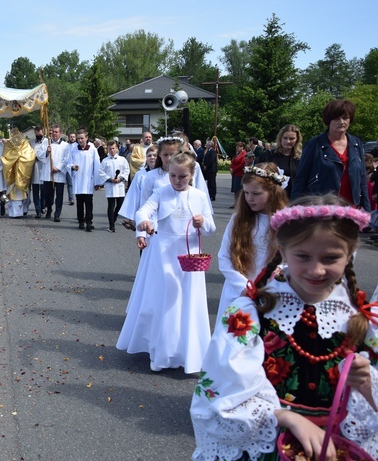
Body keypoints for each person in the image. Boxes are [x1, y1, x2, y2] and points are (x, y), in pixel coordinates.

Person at [185, 194, 378, 461]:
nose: (316, 270)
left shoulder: (361, 319)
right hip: (263, 451)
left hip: (332, 457)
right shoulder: (252, 312)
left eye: (330, 258)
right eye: (303, 256)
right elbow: (225, 384)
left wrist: (368, 385)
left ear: (349, 254)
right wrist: (286, 417)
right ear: (283, 251)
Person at [116, 151, 215, 373]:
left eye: (183, 177)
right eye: (173, 176)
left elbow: (211, 228)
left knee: (186, 302)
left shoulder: (199, 196)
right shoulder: (161, 192)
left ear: (191, 175)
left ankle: (185, 351)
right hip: (163, 255)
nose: (177, 181)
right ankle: (161, 350)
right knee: (165, 301)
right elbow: (144, 210)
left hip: (189, 255)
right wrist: (143, 223)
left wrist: (202, 223)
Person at [216, 162, 288, 320]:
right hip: (238, 291)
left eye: (256, 193)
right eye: (246, 193)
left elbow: (289, 260)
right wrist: (245, 287)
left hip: (271, 293)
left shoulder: (286, 223)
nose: (249, 198)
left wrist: (277, 274)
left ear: (273, 192)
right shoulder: (238, 219)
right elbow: (224, 256)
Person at [293, 100, 369, 210]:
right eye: (337, 118)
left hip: (350, 208)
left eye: (345, 118)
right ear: (329, 120)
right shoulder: (314, 144)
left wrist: (366, 210)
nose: (342, 122)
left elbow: (362, 179)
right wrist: (295, 209)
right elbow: (301, 179)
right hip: (321, 207)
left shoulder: (356, 144)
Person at [67, 128, 102, 232]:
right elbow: (68, 163)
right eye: (78, 139)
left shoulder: (92, 149)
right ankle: (81, 221)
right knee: (79, 201)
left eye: (82, 138)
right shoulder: (73, 149)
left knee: (89, 201)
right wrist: (73, 167)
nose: (80, 141)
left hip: (88, 180)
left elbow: (97, 165)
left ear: (86, 138)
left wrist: (97, 181)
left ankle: (89, 221)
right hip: (78, 179)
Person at [119, 145, 157, 231]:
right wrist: (131, 215)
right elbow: (133, 195)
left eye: (155, 155)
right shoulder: (140, 175)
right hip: (144, 211)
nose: (152, 158)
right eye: (149, 156)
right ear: (146, 158)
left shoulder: (166, 174)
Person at [261, 124, 302, 198]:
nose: (288, 141)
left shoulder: (300, 158)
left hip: (293, 199)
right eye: (285, 138)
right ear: (280, 138)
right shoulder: (269, 155)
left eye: (292, 138)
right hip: (272, 198)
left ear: (297, 140)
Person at [98, 140, 130, 232]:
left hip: (120, 185)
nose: (112, 150)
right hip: (110, 185)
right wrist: (109, 179)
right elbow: (101, 172)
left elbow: (126, 170)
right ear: (107, 150)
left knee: (120, 205)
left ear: (117, 148)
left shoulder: (122, 159)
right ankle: (111, 225)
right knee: (111, 205)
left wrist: (120, 178)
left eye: (113, 148)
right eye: (110, 149)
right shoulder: (105, 161)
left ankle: (114, 217)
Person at [43, 125, 70, 222]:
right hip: (48, 173)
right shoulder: (46, 143)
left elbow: (66, 159)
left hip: (59, 174)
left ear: (60, 133)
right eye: (53, 132)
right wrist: (46, 152)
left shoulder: (65, 145)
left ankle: (57, 214)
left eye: (56, 132)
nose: (54, 134)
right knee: (47, 194)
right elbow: (39, 155)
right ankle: (49, 209)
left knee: (59, 195)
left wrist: (58, 168)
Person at [229, 142, 247, 208]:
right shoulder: (237, 154)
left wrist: (234, 170)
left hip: (239, 173)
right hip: (235, 174)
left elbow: (241, 165)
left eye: (238, 147)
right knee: (235, 190)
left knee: (239, 190)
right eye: (236, 147)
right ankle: (235, 202)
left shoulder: (244, 154)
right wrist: (231, 168)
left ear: (242, 147)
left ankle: (239, 203)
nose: (237, 148)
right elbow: (233, 162)